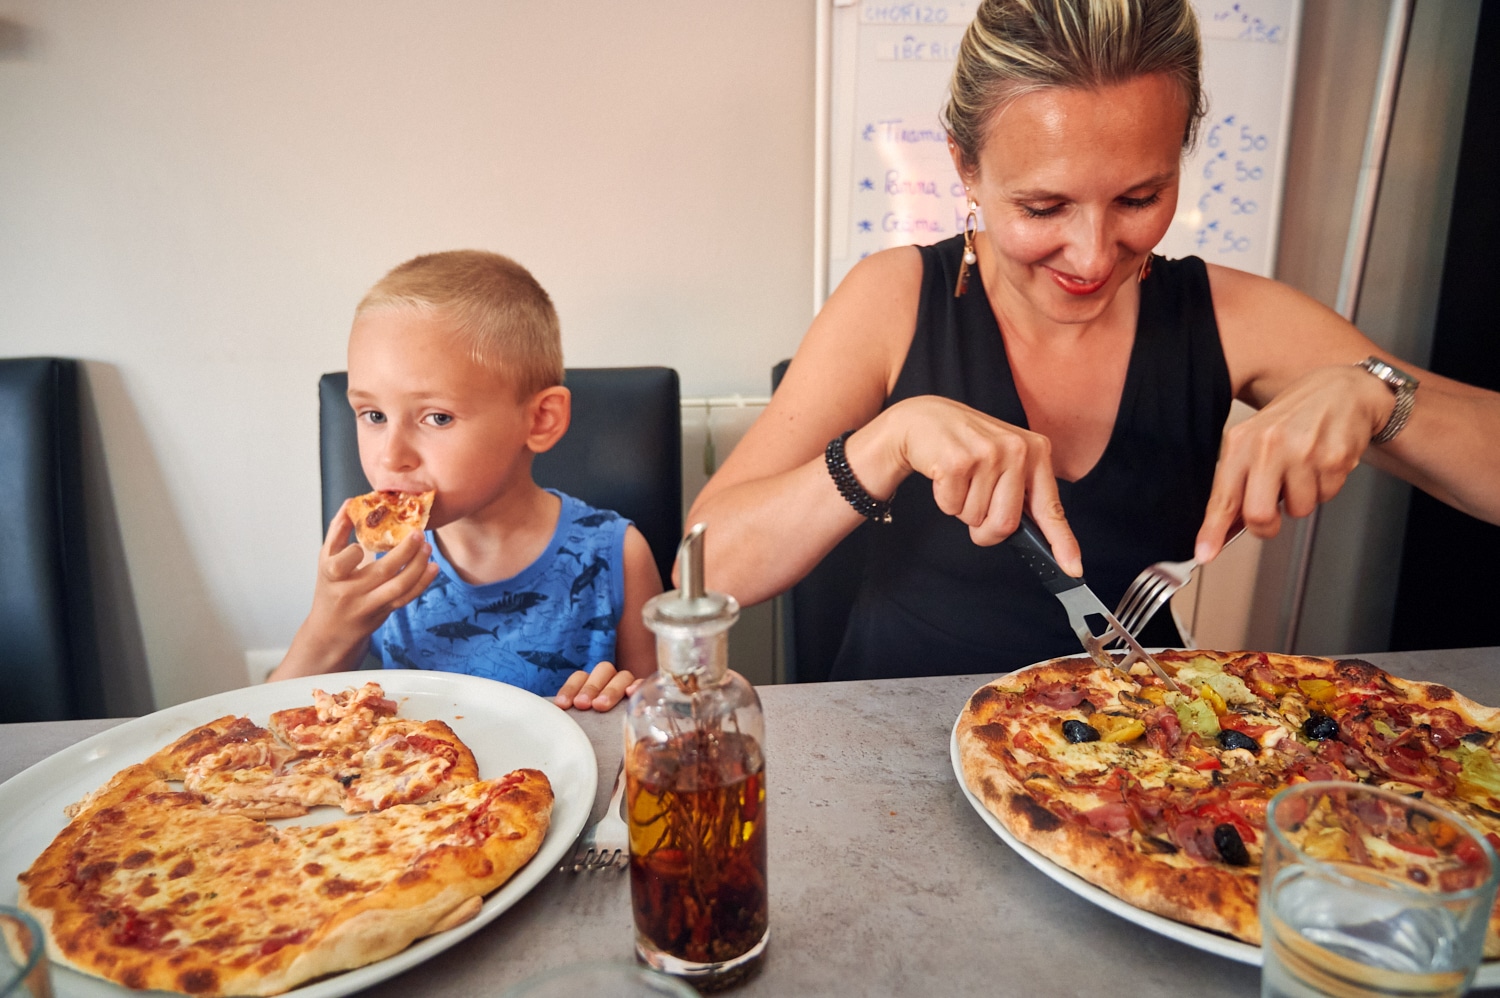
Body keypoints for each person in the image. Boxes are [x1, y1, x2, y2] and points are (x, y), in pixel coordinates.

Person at [689, 0, 1500, 680]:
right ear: (966, 170)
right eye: (1043, 208)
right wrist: (887, 442)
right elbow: (708, 562)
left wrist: (1376, 393)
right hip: (896, 735)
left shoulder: (1226, 313)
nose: (1092, 254)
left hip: (1144, 759)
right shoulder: (895, 297)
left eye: (1140, 198)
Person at [269, 250, 662, 710]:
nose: (391, 456)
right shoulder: (377, 564)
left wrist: (619, 700)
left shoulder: (615, 557)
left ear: (539, 420)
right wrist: (326, 629)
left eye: (437, 417)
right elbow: (271, 718)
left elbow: (664, 726)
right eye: (373, 415)